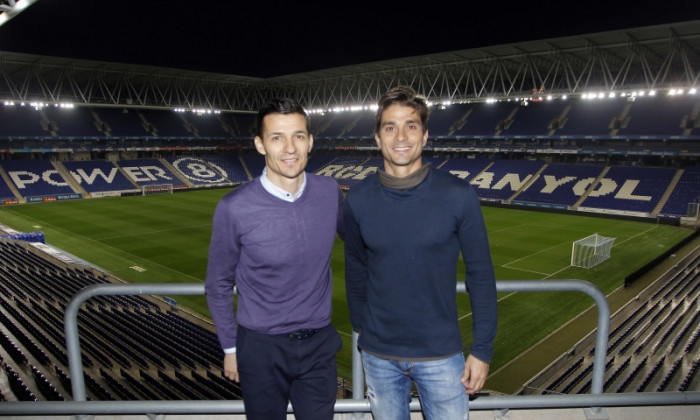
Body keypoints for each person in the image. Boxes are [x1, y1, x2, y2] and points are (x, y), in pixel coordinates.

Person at [343, 85, 498, 420]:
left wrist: (482, 350)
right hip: (378, 355)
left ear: (425, 136)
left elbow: (481, 275)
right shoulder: (356, 201)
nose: (401, 136)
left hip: (442, 355)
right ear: (377, 137)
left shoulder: (459, 196)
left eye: (411, 126)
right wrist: (362, 330)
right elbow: (356, 268)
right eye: (390, 127)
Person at [205, 97, 344, 420]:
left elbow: (359, 244)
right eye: (277, 137)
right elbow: (218, 283)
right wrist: (230, 348)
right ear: (260, 144)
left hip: (319, 344)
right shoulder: (234, 207)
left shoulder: (329, 191)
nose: (290, 147)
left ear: (310, 141)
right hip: (261, 348)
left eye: (298, 135)